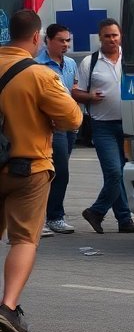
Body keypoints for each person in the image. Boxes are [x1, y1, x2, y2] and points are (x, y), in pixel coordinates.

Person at [0, 9, 83, 332]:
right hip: (27, 167)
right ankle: (7, 306)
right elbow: (73, 119)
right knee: (23, 239)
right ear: (37, 37)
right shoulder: (40, 75)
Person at [73, 18, 134, 234]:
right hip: (102, 127)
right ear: (100, 38)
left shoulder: (131, 58)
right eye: (107, 36)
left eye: (115, 35)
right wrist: (90, 96)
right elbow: (77, 92)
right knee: (114, 173)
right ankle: (97, 211)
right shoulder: (89, 62)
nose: (112, 39)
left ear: (121, 36)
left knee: (121, 173)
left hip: (130, 126)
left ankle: (124, 220)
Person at [35, 25, 77, 236]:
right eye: (61, 40)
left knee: (61, 173)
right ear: (47, 41)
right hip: (51, 126)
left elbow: (72, 90)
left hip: (70, 126)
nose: (66, 45)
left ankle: (54, 216)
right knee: (51, 172)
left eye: (67, 40)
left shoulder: (70, 64)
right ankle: (47, 218)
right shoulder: (37, 66)